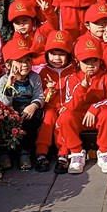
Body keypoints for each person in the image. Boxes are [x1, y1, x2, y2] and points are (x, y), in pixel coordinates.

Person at [56, 35, 107, 174]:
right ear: (77, 62)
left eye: (94, 60)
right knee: (65, 116)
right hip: (79, 116)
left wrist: (94, 108)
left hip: (98, 116)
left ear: (100, 60)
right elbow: (70, 105)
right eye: (86, 61)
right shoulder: (72, 79)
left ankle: (104, 152)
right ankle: (76, 152)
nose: (91, 64)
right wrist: (82, 88)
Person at [0, 38, 45, 171]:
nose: (25, 65)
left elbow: (39, 95)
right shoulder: (3, 80)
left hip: (27, 112)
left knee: (37, 115)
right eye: (20, 61)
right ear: (8, 65)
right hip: (10, 112)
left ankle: (25, 151)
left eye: (28, 60)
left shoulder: (34, 77)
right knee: (3, 118)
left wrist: (34, 105)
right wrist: (9, 85)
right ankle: (4, 152)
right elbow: (3, 104)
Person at [33, 30, 77, 174]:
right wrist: (50, 90)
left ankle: (63, 153)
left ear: (68, 55)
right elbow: (42, 97)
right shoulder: (43, 72)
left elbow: (77, 93)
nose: (57, 58)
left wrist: (68, 106)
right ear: (47, 54)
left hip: (69, 107)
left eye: (61, 54)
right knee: (49, 117)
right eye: (53, 54)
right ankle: (41, 152)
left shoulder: (74, 71)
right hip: (50, 107)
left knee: (64, 119)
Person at [79, 2, 107, 69]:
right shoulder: (81, 42)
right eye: (96, 22)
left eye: (105, 22)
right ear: (87, 25)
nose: (101, 26)